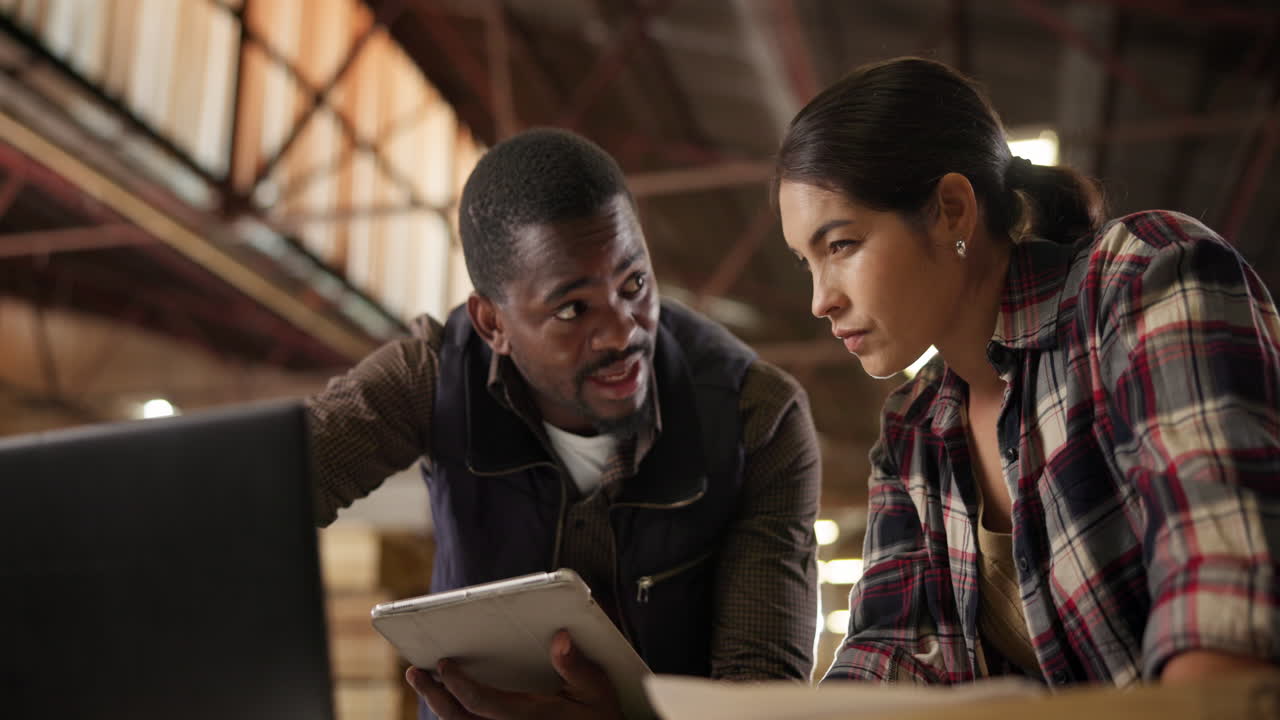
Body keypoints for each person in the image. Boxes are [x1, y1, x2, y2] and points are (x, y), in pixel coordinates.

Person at [774, 57, 1280, 687]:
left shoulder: (1138, 280)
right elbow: (889, 653)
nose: (821, 300)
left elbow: (1223, 580)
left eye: (841, 245)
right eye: (807, 261)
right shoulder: (913, 433)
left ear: (953, 209)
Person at [306, 128, 821, 717]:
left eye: (634, 285)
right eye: (573, 309)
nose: (624, 332)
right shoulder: (432, 378)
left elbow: (762, 695)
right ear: (491, 323)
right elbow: (262, 489)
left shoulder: (758, 417)